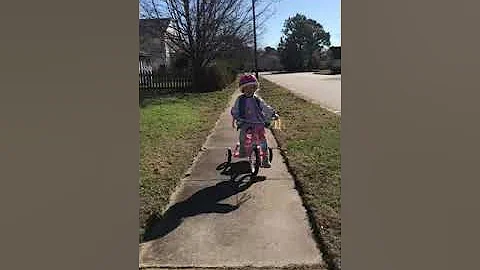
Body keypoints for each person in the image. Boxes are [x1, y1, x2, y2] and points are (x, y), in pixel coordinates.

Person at [231, 74, 278, 168]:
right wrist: (236, 116)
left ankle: (265, 160)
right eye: (247, 88)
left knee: (263, 142)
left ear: (255, 88)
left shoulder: (257, 99)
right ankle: (243, 151)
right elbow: (235, 109)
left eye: (252, 87)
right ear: (243, 89)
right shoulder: (240, 99)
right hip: (245, 122)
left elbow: (265, 107)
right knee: (242, 137)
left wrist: (272, 113)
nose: (249, 90)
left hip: (258, 122)